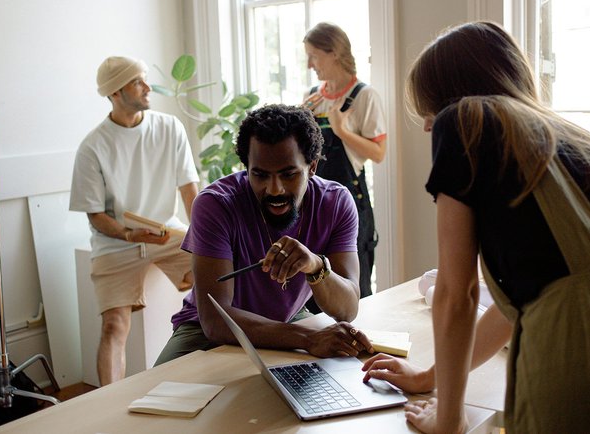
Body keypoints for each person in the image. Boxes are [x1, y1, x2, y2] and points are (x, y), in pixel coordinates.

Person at [368, 21, 590, 433]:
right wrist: (429, 377)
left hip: (584, 367)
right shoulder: (584, 148)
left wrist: (448, 418)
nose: (431, 126)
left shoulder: (464, 120)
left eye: (430, 111)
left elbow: (457, 294)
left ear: (452, 97)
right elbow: (531, 303)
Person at [154, 104, 374, 365]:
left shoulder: (335, 202)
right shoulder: (215, 205)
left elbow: (347, 309)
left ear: (312, 167)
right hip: (207, 332)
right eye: (259, 175)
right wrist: (306, 338)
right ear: (246, 167)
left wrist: (315, 265)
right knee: (153, 394)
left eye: (288, 174)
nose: (274, 189)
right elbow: (215, 320)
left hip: (288, 319)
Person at [70, 56, 200, 386]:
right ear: (115, 92)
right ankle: (107, 406)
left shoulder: (169, 128)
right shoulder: (92, 147)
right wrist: (131, 235)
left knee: (218, 275)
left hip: (167, 233)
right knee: (114, 326)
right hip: (116, 243)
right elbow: (96, 216)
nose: (147, 87)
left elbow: (189, 191)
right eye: (137, 82)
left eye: (144, 79)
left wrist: (204, 239)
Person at [302, 22, 387, 302]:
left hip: (350, 204)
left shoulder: (365, 96)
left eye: (314, 55)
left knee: (354, 289)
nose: (309, 64)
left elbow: (378, 153)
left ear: (334, 53)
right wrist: (300, 118)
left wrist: (342, 131)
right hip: (313, 205)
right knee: (314, 290)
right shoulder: (313, 97)